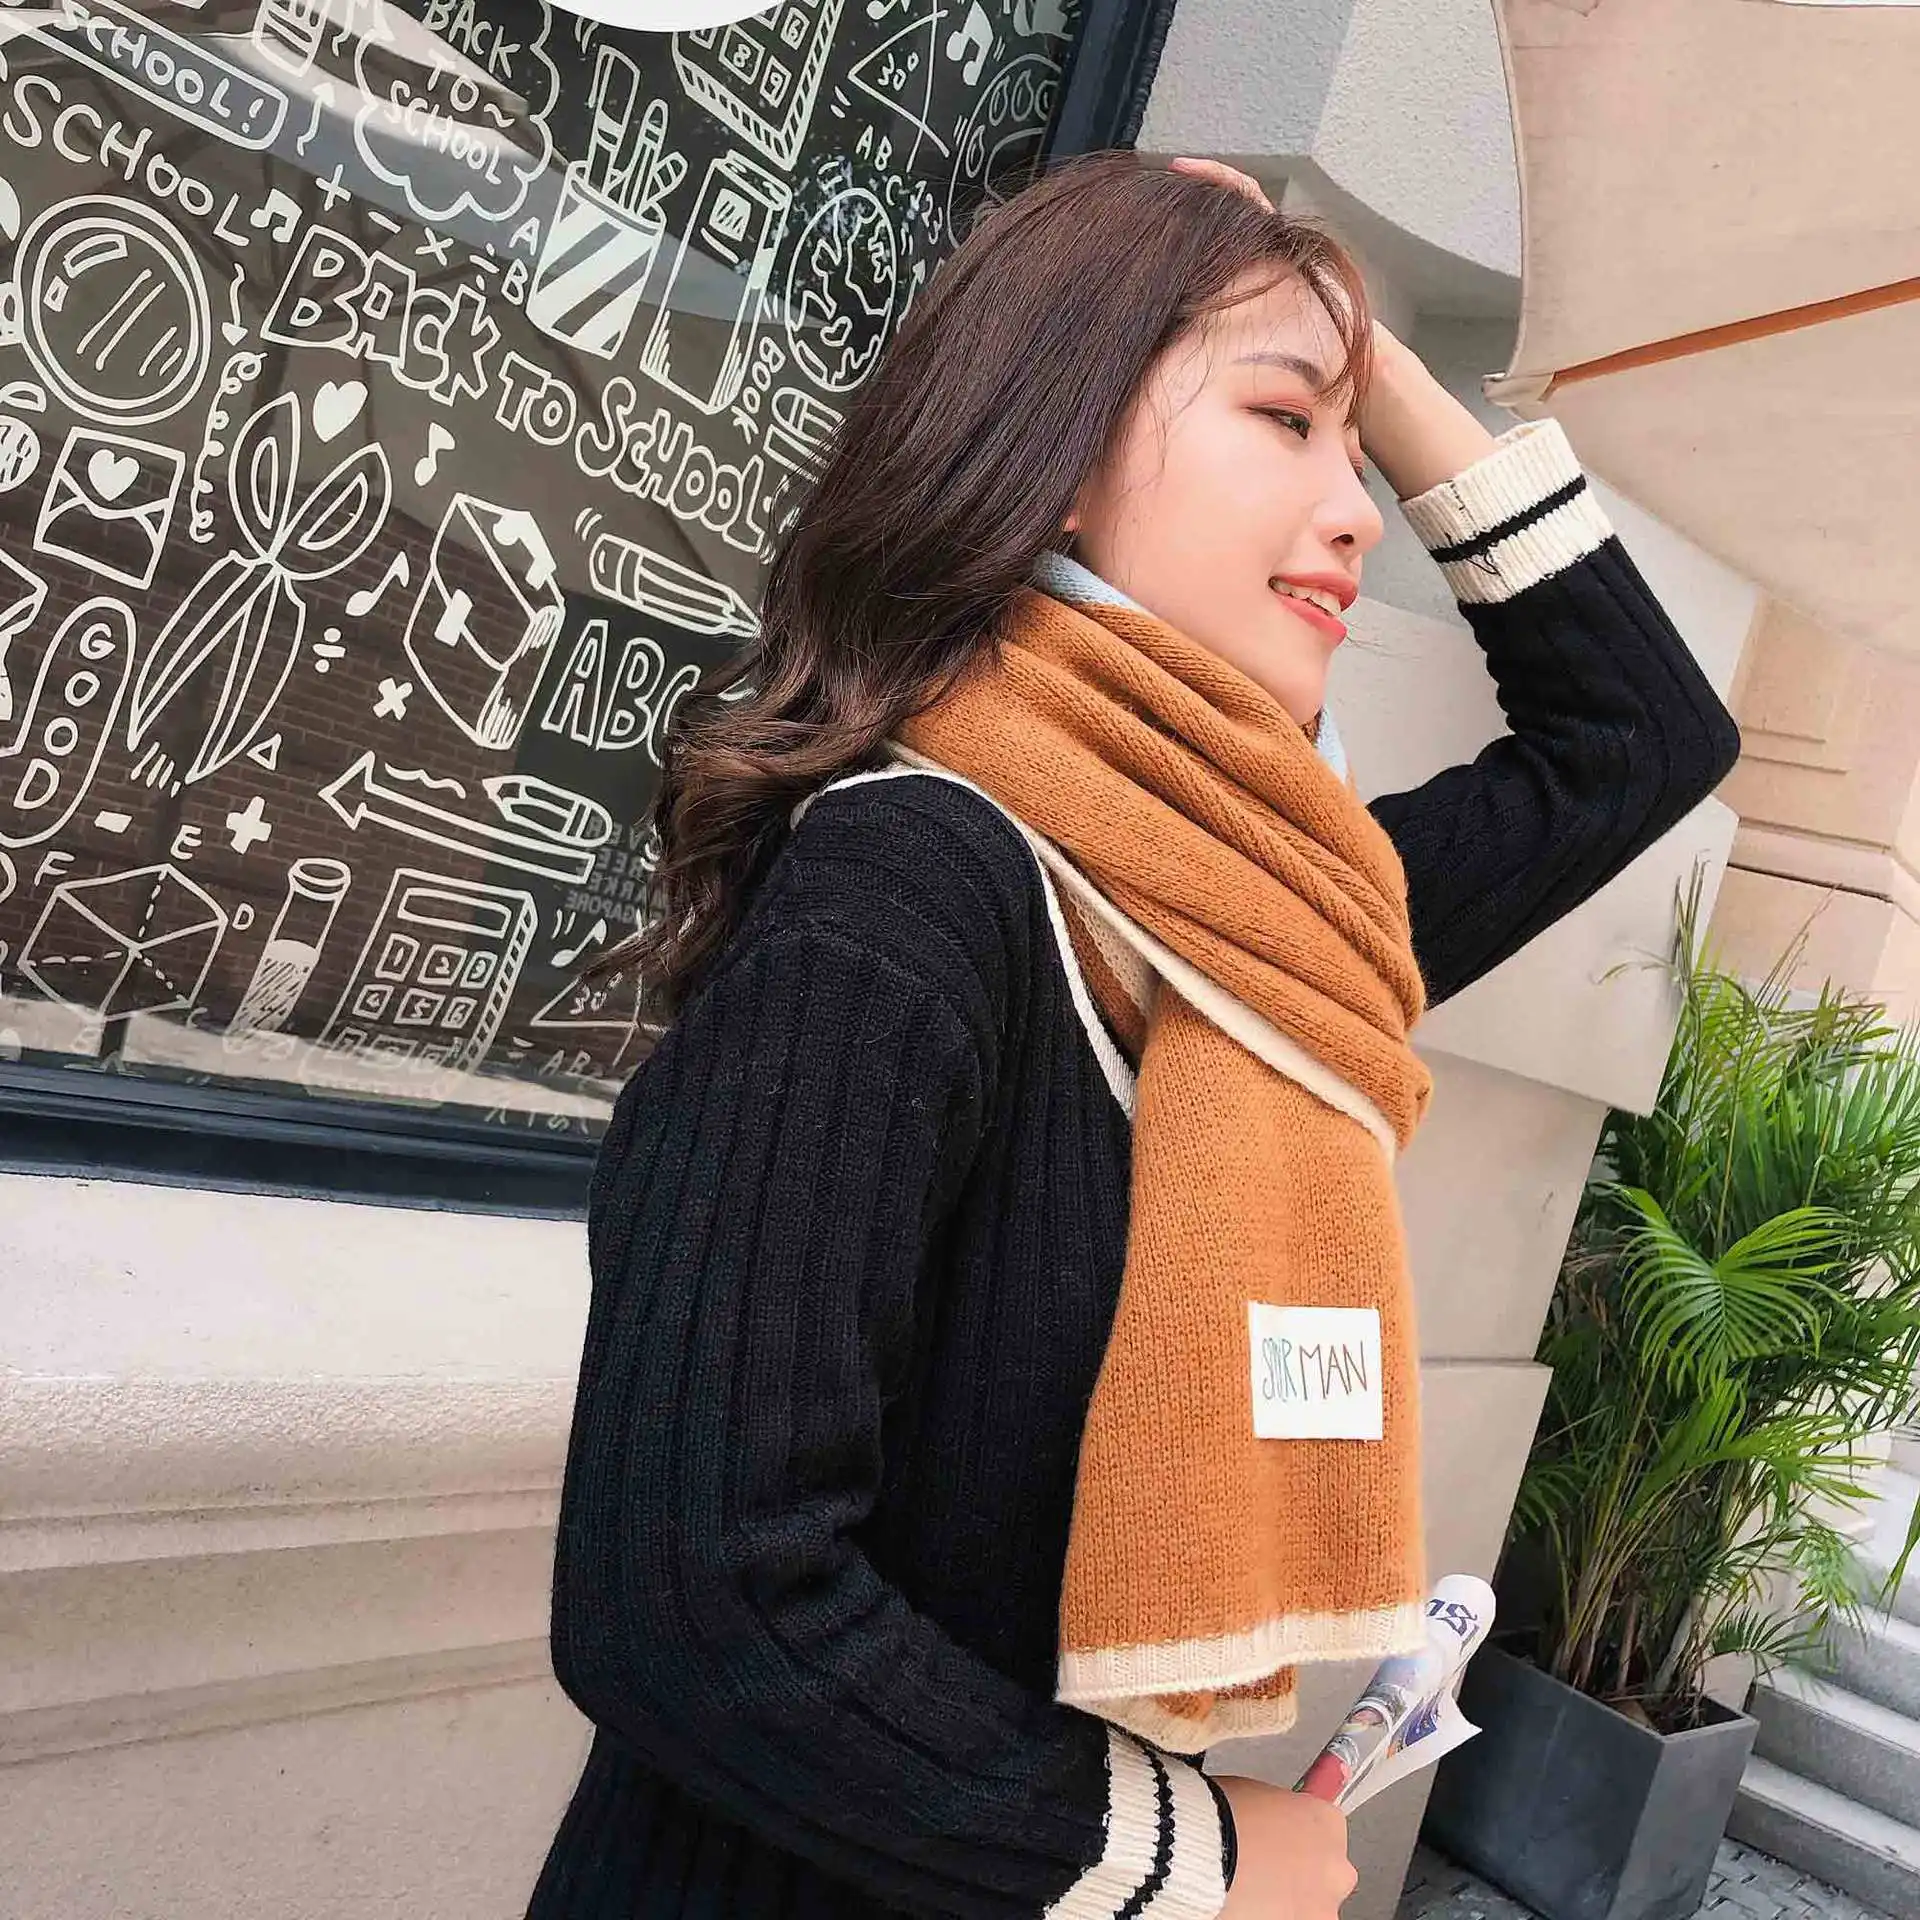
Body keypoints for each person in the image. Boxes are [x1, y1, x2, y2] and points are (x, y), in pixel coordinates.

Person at [528, 153, 1739, 1920]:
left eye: (1354, 454)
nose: (1354, 512)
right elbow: (693, 1605)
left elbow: (1640, 739)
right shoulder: (905, 896)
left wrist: (1377, 364)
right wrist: (1196, 1855)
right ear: (1062, 436)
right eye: (1283, 420)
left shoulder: (1276, 927)